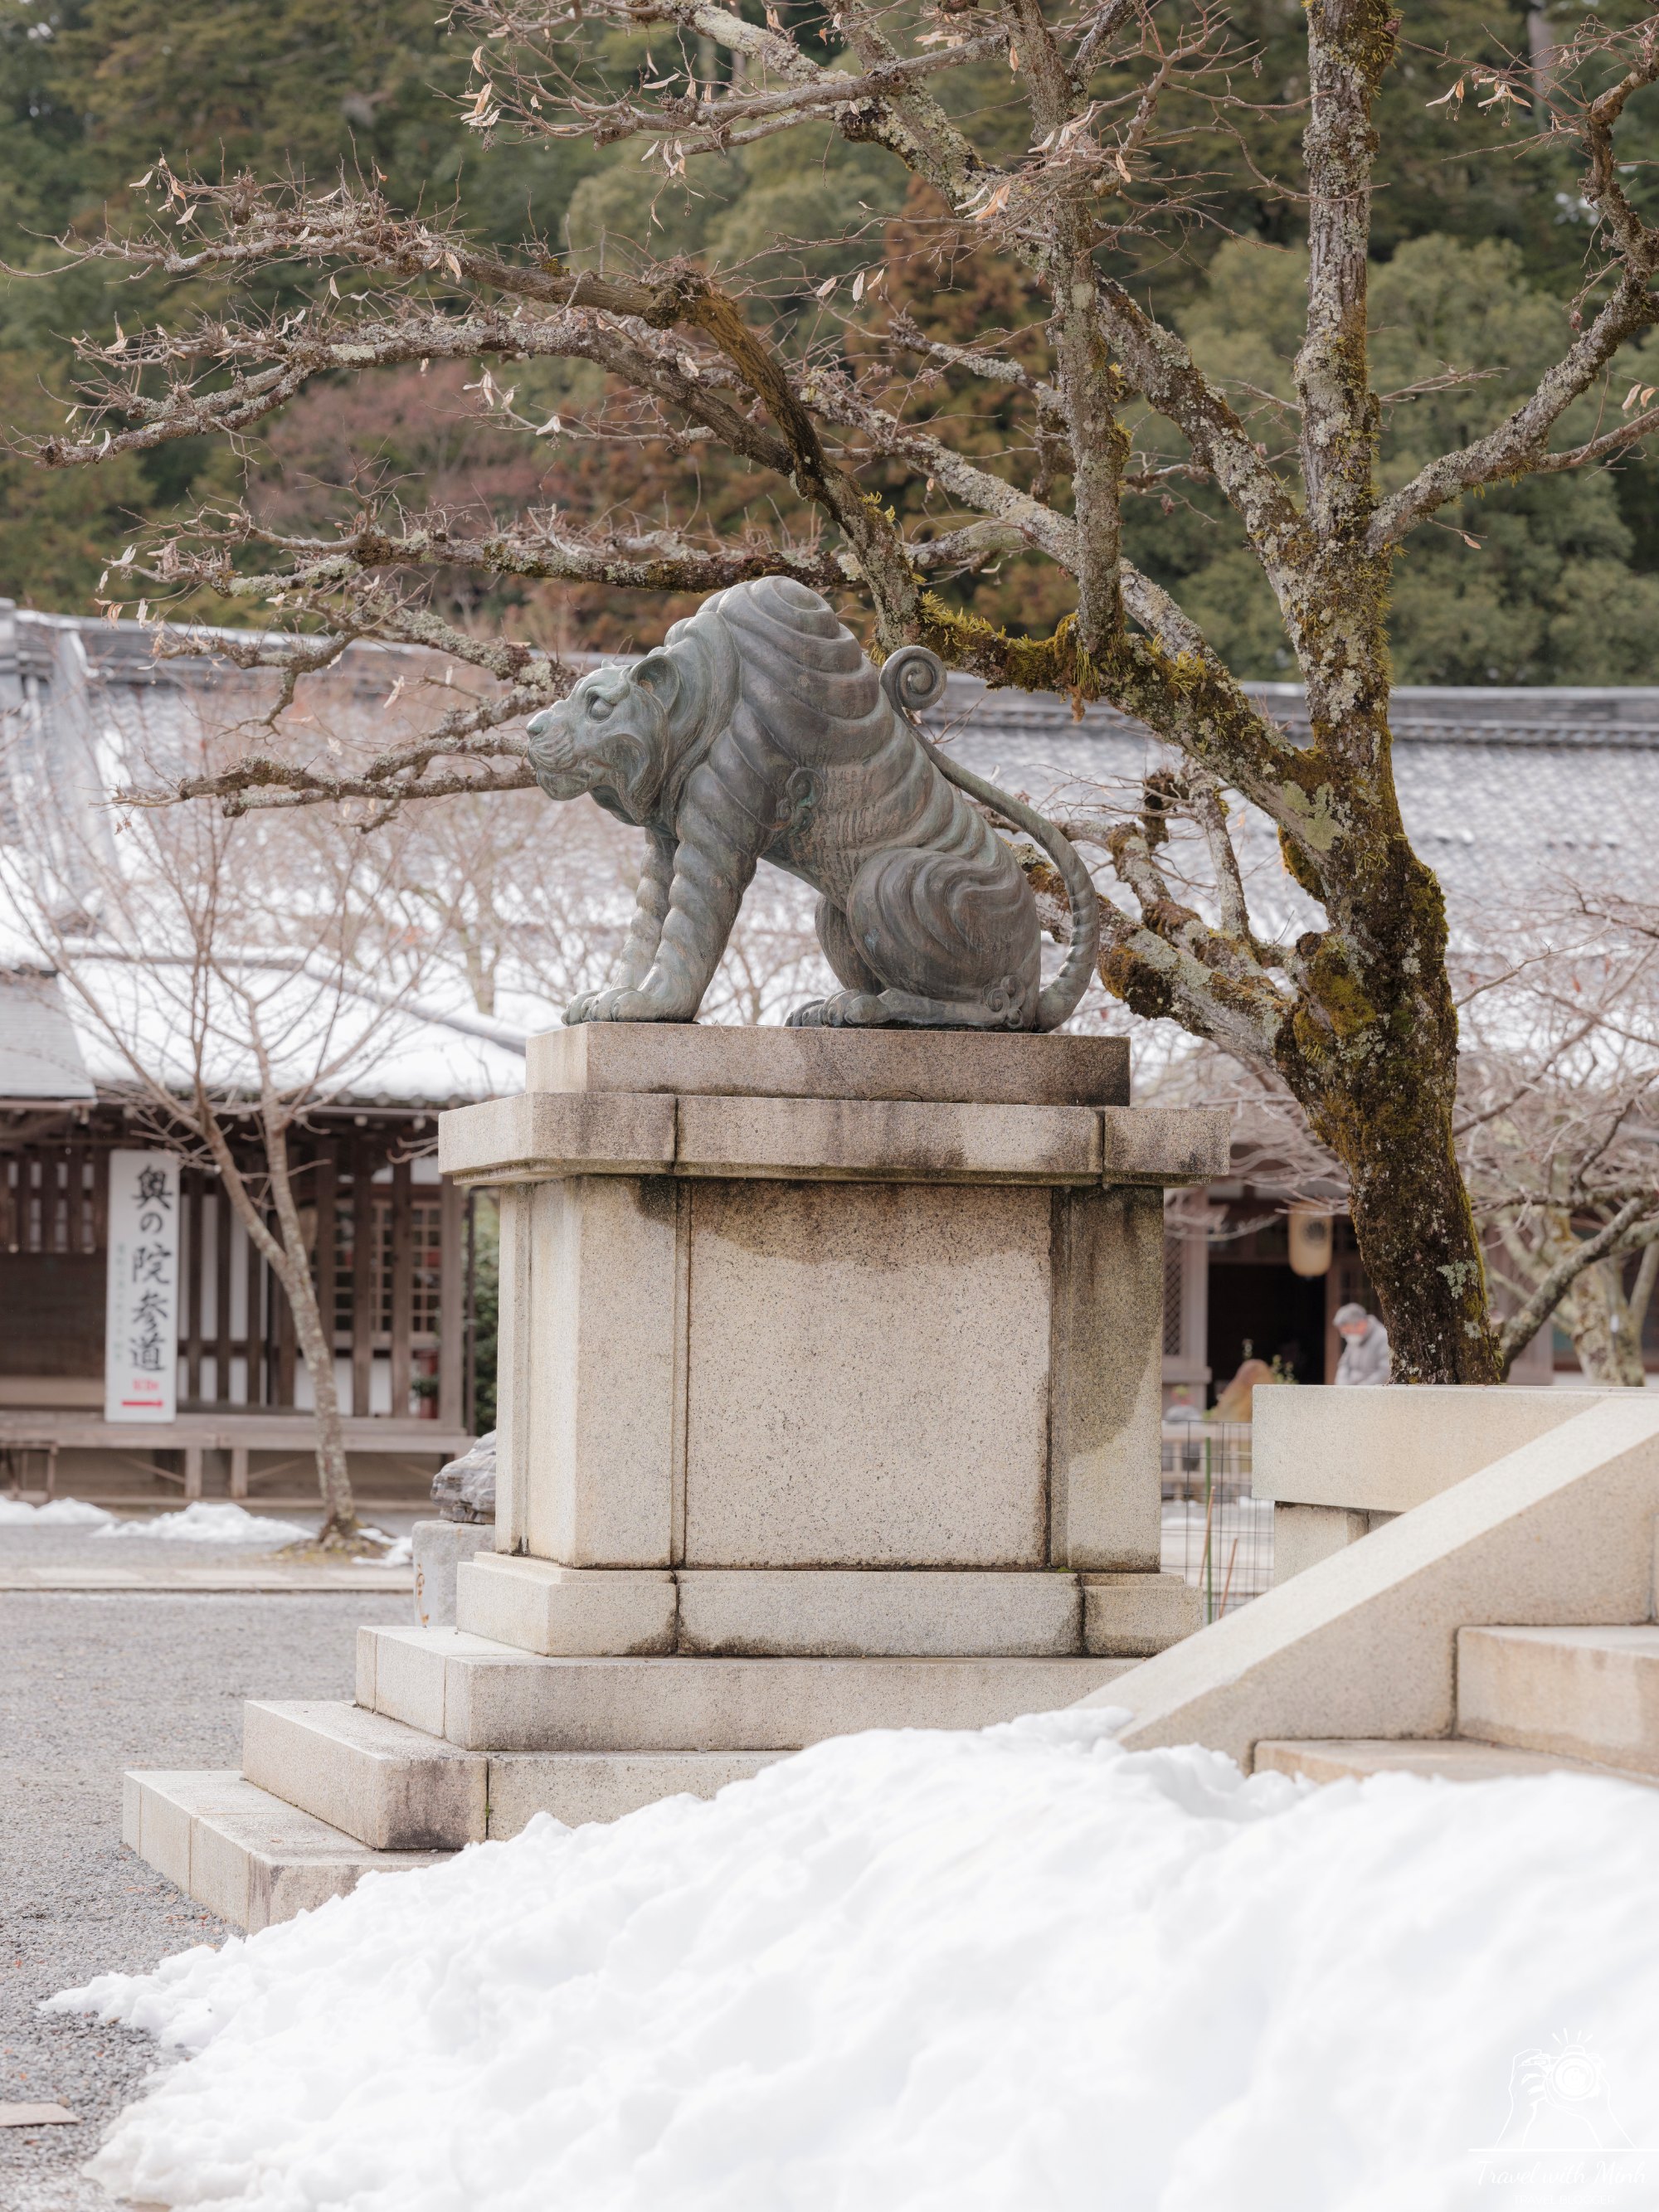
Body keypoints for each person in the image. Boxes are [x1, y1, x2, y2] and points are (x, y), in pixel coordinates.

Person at [1333, 1302, 1391, 1385]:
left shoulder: (1383, 1337)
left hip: (1371, 1391)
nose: (1345, 1335)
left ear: (1361, 1324)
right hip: (1350, 1391)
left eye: (1348, 1331)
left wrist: (1361, 1390)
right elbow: (1344, 1364)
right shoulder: (1354, 1339)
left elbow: (1385, 1371)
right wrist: (1342, 1386)